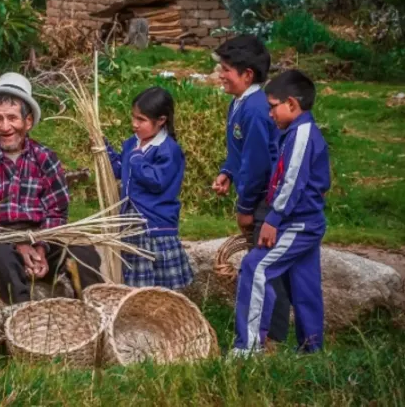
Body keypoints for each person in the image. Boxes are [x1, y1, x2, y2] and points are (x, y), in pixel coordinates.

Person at [0, 72, 103, 304]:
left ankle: (94, 310)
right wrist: (15, 244)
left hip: (41, 237)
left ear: (28, 121)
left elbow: (57, 213)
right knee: (1, 256)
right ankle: (22, 314)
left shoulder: (45, 159)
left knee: (84, 253)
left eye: (12, 118)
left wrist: (41, 247)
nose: (5, 127)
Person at [232, 70, 330, 356]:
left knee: (255, 267)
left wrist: (273, 219)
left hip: (296, 223)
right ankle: (311, 350)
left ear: (291, 104)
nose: (270, 113)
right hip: (305, 221)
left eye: (273, 106)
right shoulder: (294, 132)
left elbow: (292, 181)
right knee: (305, 284)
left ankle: (248, 348)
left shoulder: (302, 135)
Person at [211, 34, 290, 348]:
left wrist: (245, 209)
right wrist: (228, 172)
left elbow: (257, 164)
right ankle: (265, 332)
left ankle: (271, 338)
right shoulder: (240, 102)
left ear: (247, 74)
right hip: (256, 197)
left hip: (265, 201)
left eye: (226, 69)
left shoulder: (256, 109)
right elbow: (241, 150)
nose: (221, 75)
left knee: (265, 268)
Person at [105, 87, 193, 289]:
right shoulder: (132, 144)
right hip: (131, 222)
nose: (134, 124)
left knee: (162, 287)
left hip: (154, 225)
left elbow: (156, 181)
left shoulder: (168, 150)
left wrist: (136, 159)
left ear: (161, 120)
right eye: (133, 117)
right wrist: (105, 151)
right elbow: (121, 170)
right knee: (135, 283)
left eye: (141, 119)